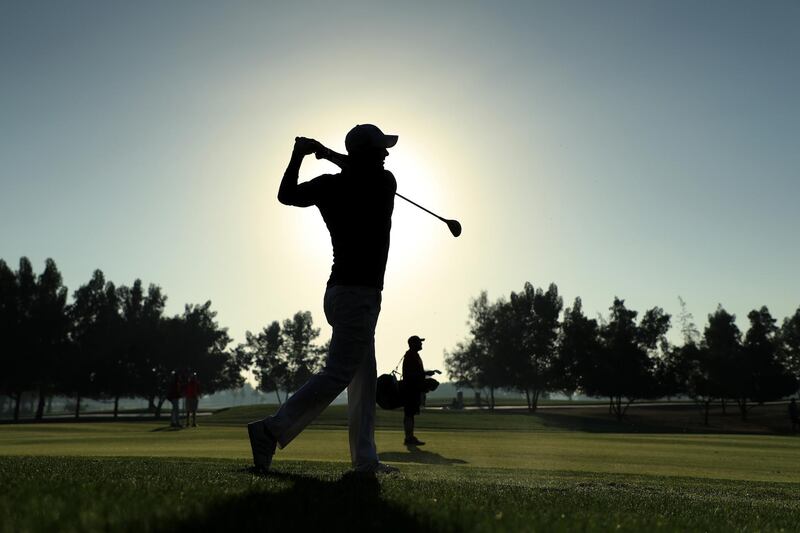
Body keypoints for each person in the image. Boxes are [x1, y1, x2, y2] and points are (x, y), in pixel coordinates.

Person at [248, 124, 399, 474]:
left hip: (341, 293)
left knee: (364, 376)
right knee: (339, 373)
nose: (386, 154)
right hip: (356, 295)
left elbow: (288, 193)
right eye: (380, 149)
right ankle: (271, 429)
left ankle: (365, 460)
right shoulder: (381, 182)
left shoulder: (339, 184)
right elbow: (289, 195)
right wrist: (317, 153)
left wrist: (303, 154)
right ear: (366, 153)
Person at [401, 335, 439, 446]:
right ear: (413, 344)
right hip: (410, 389)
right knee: (409, 414)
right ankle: (409, 438)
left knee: (410, 414)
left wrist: (426, 374)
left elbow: (416, 374)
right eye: (419, 342)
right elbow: (411, 375)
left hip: (412, 389)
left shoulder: (414, 355)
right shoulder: (410, 356)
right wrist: (426, 374)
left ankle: (409, 437)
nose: (421, 344)